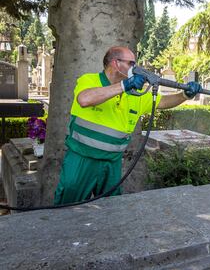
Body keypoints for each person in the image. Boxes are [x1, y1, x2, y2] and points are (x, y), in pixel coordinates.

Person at [54, 46, 201, 205]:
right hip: (81, 159)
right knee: (67, 207)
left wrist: (184, 95)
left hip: (111, 163)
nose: (135, 68)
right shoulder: (90, 80)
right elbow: (85, 99)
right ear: (115, 63)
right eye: (131, 63)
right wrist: (124, 85)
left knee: (111, 209)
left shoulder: (136, 94)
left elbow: (164, 101)